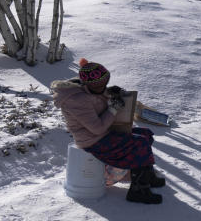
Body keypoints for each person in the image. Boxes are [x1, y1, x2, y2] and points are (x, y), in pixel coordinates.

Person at [51, 58, 164, 204]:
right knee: (139, 143)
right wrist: (113, 108)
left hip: (105, 133)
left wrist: (111, 93)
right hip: (92, 140)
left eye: (105, 84)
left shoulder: (89, 88)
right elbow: (97, 128)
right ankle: (138, 191)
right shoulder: (77, 101)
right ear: (88, 84)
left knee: (145, 134)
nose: (103, 87)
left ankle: (146, 176)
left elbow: (96, 97)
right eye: (101, 86)